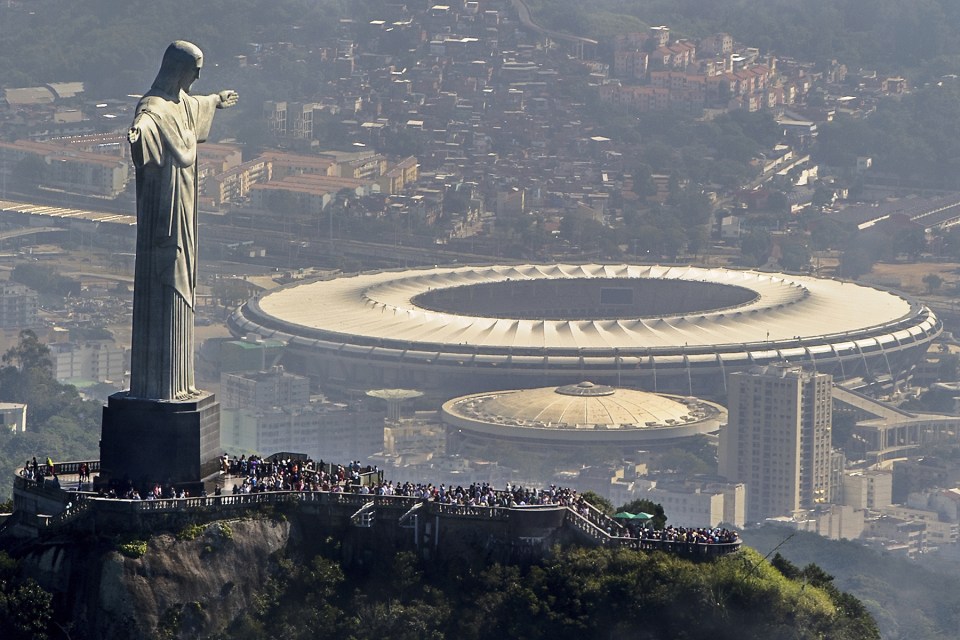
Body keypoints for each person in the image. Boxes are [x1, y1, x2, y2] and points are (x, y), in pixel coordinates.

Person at [127, 41, 238, 400]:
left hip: (185, 207)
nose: (198, 77)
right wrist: (139, 134)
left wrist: (216, 99)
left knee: (184, 280)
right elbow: (144, 123)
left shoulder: (182, 103)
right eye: (195, 69)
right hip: (165, 210)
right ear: (177, 68)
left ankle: (180, 384)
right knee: (167, 278)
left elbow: (196, 104)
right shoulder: (155, 108)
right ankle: (161, 387)